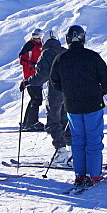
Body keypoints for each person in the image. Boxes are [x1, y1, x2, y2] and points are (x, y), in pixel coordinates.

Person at [50, 25, 107, 188]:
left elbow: (54, 81)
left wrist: (67, 92)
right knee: (93, 138)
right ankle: (94, 174)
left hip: (72, 105)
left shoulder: (61, 58)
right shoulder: (92, 57)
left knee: (77, 139)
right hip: (93, 104)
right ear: (83, 38)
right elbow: (106, 78)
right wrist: (100, 91)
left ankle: (80, 173)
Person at [26, 30, 71, 165]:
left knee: (53, 119)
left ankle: (61, 152)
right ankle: (73, 152)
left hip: (56, 90)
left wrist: (28, 81)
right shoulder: (64, 51)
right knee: (66, 120)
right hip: (69, 90)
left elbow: (42, 76)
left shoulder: (46, 53)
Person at [18, 30, 44, 131]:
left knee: (35, 99)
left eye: (38, 37)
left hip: (37, 76)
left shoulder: (40, 45)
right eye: (35, 37)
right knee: (36, 99)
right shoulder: (30, 45)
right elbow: (21, 59)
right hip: (30, 76)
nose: (37, 39)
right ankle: (31, 122)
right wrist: (31, 65)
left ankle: (28, 122)